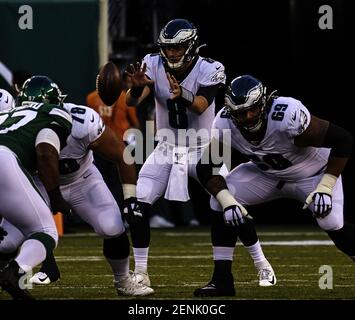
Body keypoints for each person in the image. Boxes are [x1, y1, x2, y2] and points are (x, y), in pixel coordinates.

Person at [194, 74, 354, 296]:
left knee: (331, 221)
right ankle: (222, 280)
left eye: (253, 109)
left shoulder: (287, 115)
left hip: (312, 174)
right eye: (240, 113)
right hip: (267, 175)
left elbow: (343, 140)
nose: (248, 117)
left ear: (265, 104)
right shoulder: (224, 123)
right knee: (219, 200)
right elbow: (206, 168)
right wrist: (228, 201)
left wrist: (326, 186)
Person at [0, 76, 153, 297]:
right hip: (37, 183)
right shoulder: (22, 122)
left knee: (111, 227)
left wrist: (130, 198)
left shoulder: (80, 120)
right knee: (7, 242)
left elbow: (123, 155)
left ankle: (123, 280)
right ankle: (17, 278)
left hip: (83, 180)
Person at [124, 18, 227, 287]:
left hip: (204, 148)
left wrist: (182, 94)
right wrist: (136, 88)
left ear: (191, 46)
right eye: (168, 48)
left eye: (178, 47)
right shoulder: (153, 63)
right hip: (167, 147)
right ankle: (141, 273)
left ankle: (225, 275)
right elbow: (133, 100)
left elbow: (202, 105)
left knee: (227, 207)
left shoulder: (210, 68)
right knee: (137, 204)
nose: (171, 53)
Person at [0, 80, 73, 300]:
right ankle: (15, 272)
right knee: (45, 232)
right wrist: (55, 197)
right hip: (5, 159)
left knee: (7, 237)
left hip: (6, 160)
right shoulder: (54, 113)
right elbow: (44, 151)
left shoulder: (7, 114)